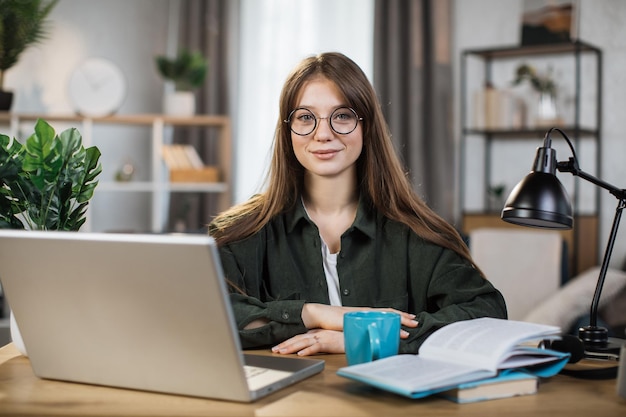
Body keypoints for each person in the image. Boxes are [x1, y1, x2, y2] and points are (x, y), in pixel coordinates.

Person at [209, 52, 507, 357]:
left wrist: (370, 338)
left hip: (390, 403)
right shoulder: (241, 232)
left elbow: (487, 311)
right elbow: (203, 311)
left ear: (366, 126)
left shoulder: (415, 232)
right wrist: (313, 314)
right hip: (285, 401)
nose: (323, 134)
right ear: (287, 130)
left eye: (342, 116)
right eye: (305, 117)